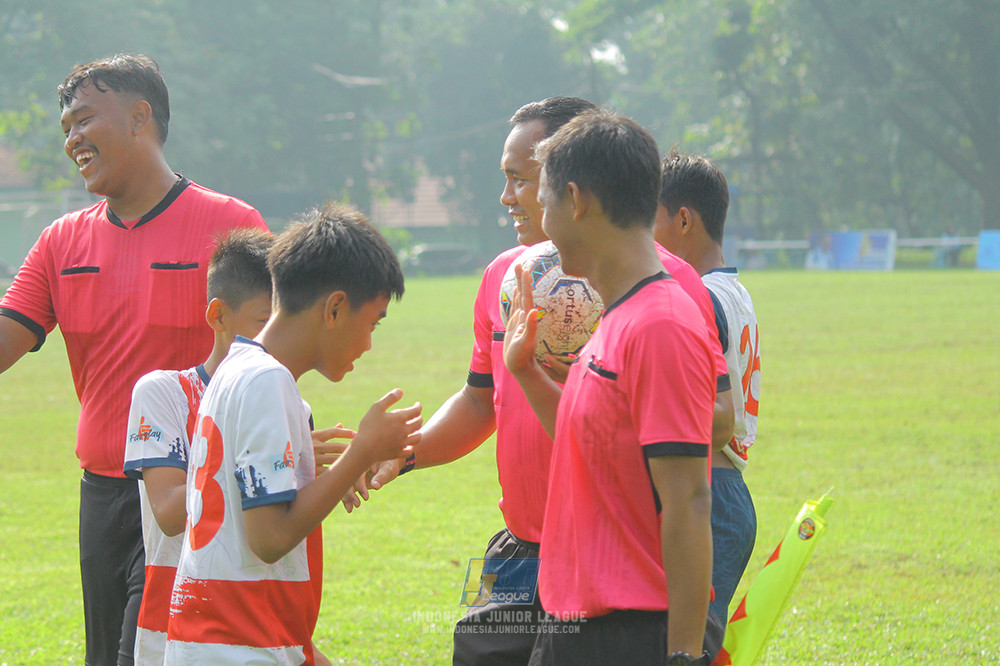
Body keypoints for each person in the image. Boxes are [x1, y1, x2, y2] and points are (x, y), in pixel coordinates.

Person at [0, 54, 267, 666]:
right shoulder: (60, 241)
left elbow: (274, 357)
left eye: (85, 120)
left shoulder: (232, 227)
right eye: (65, 126)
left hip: (193, 491)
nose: (71, 139)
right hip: (103, 501)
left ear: (141, 116)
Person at [503, 109, 723, 665]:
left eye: (545, 198)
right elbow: (590, 445)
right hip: (577, 622)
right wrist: (527, 372)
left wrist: (683, 655)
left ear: (576, 201)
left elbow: (689, 501)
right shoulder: (616, 317)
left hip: (632, 632)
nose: (541, 218)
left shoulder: (660, 325)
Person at [164, 202, 421, 664]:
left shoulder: (238, 367)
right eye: (373, 323)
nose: (368, 344)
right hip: (238, 647)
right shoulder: (267, 380)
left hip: (229, 639)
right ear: (335, 308)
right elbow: (270, 538)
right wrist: (362, 451)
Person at [122, 228, 273, 664]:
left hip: (259, 626)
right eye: (264, 321)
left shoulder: (291, 408)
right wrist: (257, 468)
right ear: (218, 315)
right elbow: (170, 513)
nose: (275, 339)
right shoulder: (163, 394)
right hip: (176, 633)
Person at [654, 150, 762, 631]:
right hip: (728, 491)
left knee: (682, 647)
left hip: (709, 494)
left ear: (682, 220)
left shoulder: (696, 297)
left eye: (644, 218)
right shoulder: (733, 290)